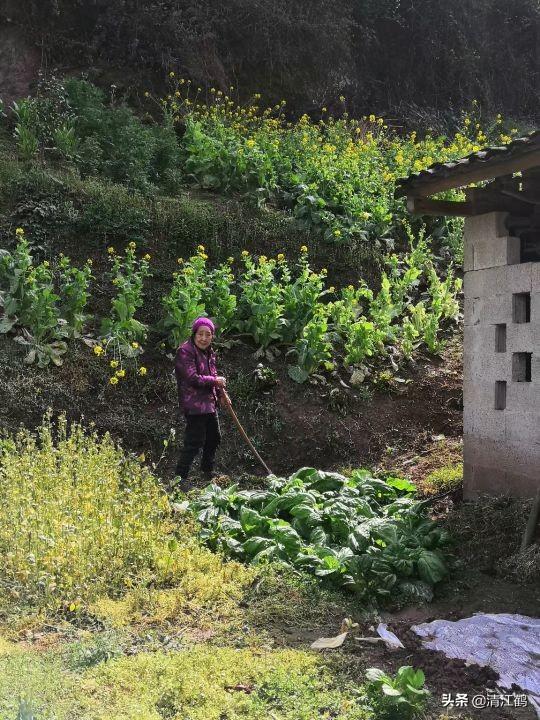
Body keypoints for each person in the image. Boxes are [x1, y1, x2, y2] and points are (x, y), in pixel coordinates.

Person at [174, 317, 227, 491]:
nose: (204, 338)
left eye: (208, 334)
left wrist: (221, 394)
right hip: (194, 405)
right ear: (194, 334)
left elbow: (213, 374)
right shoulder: (185, 351)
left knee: (214, 437)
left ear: (212, 336)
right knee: (194, 441)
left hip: (209, 403)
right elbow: (192, 378)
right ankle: (179, 478)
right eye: (200, 334)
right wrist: (215, 381)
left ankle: (207, 470)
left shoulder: (209, 352)